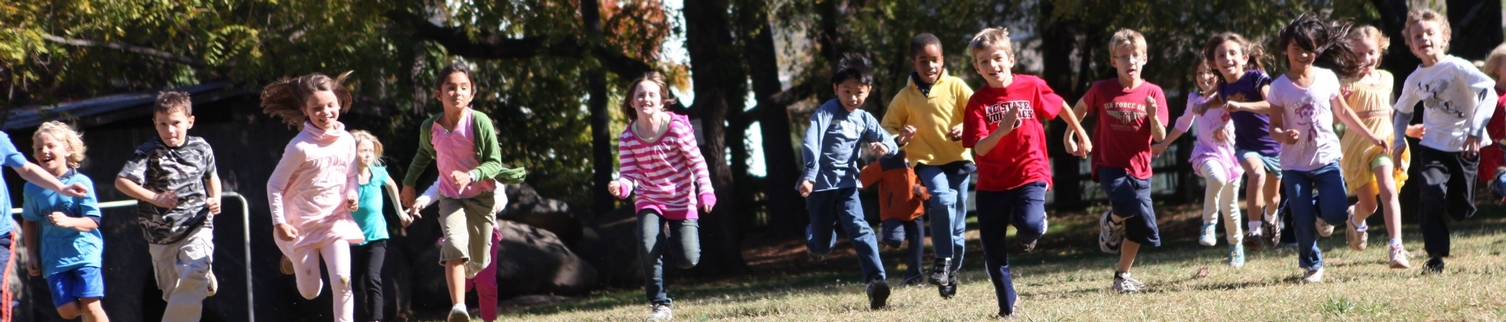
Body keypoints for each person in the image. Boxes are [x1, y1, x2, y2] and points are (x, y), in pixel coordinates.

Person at [961, 27, 1091, 316]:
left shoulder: (1031, 86)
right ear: (976, 67)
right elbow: (980, 148)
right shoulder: (977, 102)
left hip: (1030, 172)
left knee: (1031, 224)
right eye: (984, 61)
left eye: (997, 58)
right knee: (993, 251)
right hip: (991, 184)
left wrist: (1079, 132)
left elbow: (1059, 107)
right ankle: (1008, 305)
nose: (992, 65)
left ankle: (1028, 233)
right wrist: (1002, 131)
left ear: (1010, 58)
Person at [398, 62, 526, 322]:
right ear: (438, 94)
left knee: (478, 263)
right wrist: (409, 183)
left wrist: (471, 175)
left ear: (472, 94)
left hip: (481, 199)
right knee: (454, 244)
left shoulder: (479, 122)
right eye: (451, 87)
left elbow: (493, 162)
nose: (457, 92)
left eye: (463, 88)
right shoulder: (430, 128)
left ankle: (469, 270)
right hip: (450, 198)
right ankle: (459, 308)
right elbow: (423, 154)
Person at [1268, 14, 1390, 283]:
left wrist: (1371, 136)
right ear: (1285, 49)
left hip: (1326, 159)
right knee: (1300, 219)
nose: (1303, 54)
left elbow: (1344, 113)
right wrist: (1283, 136)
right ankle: (1313, 265)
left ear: (1317, 50)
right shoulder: (1278, 88)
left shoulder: (1327, 78)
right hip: (1294, 164)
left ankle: (1320, 212)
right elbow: (1273, 127)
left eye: (1309, 49)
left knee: (1335, 213)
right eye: (1296, 49)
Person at [1391, 9, 1499, 273]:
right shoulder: (1415, 79)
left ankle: (1462, 203)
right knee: (1430, 196)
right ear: (1411, 46)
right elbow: (1402, 110)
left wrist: (1475, 130)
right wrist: (1398, 141)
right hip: (1432, 145)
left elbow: (1490, 93)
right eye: (1417, 36)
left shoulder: (1457, 67)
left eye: (1430, 32)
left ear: (1444, 38)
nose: (1424, 38)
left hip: (1465, 145)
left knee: (1462, 209)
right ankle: (1435, 255)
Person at [1070, 29, 1170, 293]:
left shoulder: (1154, 93)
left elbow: (1159, 136)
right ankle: (1110, 221)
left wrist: (1152, 115)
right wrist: (1072, 134)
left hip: (1141, 169)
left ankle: (1121, 277)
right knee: (1126, 203)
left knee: (1140, 228)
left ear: (1145, 58)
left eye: (1136, 55)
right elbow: (1078, 108)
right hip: (1109, 164)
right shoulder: (1102, 89)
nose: (1131, 61)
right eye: (1124, 57)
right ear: (1114, 61)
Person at [609, 71, 715, 320]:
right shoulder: (627, 137)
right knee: (647, 246)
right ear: (632, 102)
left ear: (662, 100)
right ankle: (660, 304)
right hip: (649, 197)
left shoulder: (676, 127)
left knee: (688, 260)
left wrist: (706, 191)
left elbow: (697, 163)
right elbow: (629, 174)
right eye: (640, 95)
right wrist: (621, 187)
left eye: (651, 95)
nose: (646, 99)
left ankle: (668, 235)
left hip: (681, 197)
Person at [261, 71, 366, 321]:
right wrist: (280, 223)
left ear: (339, 102)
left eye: (331, 105)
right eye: (317, 108)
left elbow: (353, 176)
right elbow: (274, 185)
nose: (326, 112)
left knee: (342, 280)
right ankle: (290, 257)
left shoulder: (347, 141)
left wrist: (352, 194)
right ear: (304, 109)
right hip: (300, 227)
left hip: (334, 222)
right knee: (310, 292)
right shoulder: (300, 146)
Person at [880, 33, 976, 298]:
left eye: (935, 60)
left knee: (957, 227)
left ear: (942, 60)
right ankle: (942, 260)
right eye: (924, 61)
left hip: (958, 160)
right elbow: (885, 130)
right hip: (927, 162)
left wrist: (966, 127)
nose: (930, 66)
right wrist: (900, 138)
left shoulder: (956, 86)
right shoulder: (904, 97)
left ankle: (951, 272)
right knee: (942, 199)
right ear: (914, 62)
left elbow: (979, 113)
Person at [799, 53, 897, 309]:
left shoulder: (864, 118)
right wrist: (809, 175)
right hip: (819, 187)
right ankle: (814, 241)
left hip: (847, 186)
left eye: (859, 92)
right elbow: (811, 141)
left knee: (860, 227)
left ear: (868, 90)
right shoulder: (827, 112)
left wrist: (885, 146)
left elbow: (889, 141)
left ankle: (876, 282)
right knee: (822, 246)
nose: (853, 98)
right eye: (847, 91)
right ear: (835, 89)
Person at [116, 91, 221, 322]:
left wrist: (216, 198)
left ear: (189, 122)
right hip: (160, 235)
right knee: (173, 294)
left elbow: (211, 176)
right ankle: (203, 278)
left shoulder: (201, 148)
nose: (169, 130)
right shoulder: (148, 151)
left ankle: (200, 274)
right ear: (155, 124)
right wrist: (154, 198)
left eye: (176, 123)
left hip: (196, 225)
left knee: (192, 276)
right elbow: (121, 181)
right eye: (163, 124)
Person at [1154, 56, 1247, 267]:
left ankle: (1235, 246)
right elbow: (1182, 124)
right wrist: (1163, 144)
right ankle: (1208, 223)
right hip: (1206, 153)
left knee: (1230, 206)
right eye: (1199, 73)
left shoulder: (1231, 95)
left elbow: (1249, 118)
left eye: (1210, 73)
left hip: (1231, 157)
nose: (1204, 77)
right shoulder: (1195, 99)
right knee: (1215, 177)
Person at [1196, 32, 1284, 250]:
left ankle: (1271, 219)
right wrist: (1206, 105)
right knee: (1255, 174)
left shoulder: (1256, 78)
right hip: (1246, 146)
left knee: (1272, 199)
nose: (1227, 59)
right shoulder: (1224, 88)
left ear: (1244, 57)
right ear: (1214, 64)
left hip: (1273, 146)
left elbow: (1274, 105)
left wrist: (1241, 106)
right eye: (1221, 55)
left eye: (1232, 53)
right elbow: (1220, 99)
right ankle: (1253, 231)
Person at [1338, 25, 1413, 268]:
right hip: (1358, 145)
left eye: (1370, 52)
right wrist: (1344, 97)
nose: (1366, 59)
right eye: (1359, 54)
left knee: (1389, 190)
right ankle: (1356, 218)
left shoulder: (1387, 78)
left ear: (1379, 51)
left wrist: (1408, 130)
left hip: (1383, 142)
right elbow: (1338, 117)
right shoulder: (1346, 82)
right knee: (1369, 205)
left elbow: (1388, 110)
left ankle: (1396, 247)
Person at [22, 121, 107, 321]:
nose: (44, 151)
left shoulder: (81, 183)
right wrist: (32, 254)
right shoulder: (32, 188)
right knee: (67, 312)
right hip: (54, 259)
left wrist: (68, 221)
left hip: (84, 253)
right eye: (39, 148)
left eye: (51, 146)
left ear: (68, 149)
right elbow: (29, 220)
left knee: (91, 306)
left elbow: (93, 221)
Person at [413, 180, 507, 322]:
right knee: (464, 283)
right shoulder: (452, 161)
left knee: (486, 282)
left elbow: (501, 196)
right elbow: (439, 186)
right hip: (460, 230)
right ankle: (458, 310)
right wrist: (421, 201)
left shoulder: (487, 163)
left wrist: (492, 204)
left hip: (486, 232)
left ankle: (489, 319)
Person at [348, 130, 412, 321]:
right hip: (352, 238)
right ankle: (362, 290)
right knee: (354, 283)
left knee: (372, 277)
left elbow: (391, 185)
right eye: (363, 150)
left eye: (370, 150)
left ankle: (376, 319)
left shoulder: (378, 173)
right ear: (352, 152)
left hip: (377, 235)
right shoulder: (346, 177)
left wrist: (400, 211)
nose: (367, 154)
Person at [857, 150, 928, 286]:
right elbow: (863, 179)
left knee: (917, 246)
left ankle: (913, 279)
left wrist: (922, 192)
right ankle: (884, 236)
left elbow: (930, 188)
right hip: (892, 212)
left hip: (915, 211)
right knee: (894, 240)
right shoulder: (887, 161)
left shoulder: (920, 159)